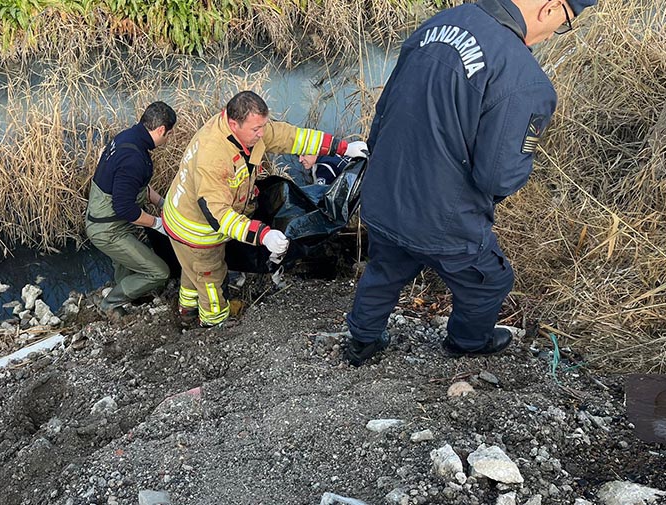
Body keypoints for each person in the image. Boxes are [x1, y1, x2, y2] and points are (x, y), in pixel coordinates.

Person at [345, 0, 597, 366]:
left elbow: (381, 117)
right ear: (552, 7)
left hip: (385, 194)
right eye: (564, 23)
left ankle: (362, 341)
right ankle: (467, 341)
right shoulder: (523, 77)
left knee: (385, 267)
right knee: (489, 279)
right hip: (442, 216)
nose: (552, 33)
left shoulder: (437, 25)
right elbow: (499, 176)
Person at [162, 90, 367, 327]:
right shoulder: (214, 156)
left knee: (192, 269)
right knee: (211, 276)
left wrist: (341, 148)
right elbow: (218, 216)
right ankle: (213, 324)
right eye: (256, 130)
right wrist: (263, 234)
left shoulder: (247, 132)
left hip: (181, 216)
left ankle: (186, 310)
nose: (262, 134)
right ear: (233, 123)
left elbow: (292, 137)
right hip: (195, 229)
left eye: (263, 126)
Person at [85, 101, 177, 315]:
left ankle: (129, 290)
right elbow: (125, 209)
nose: (168, 139)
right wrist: (159, 224)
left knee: (126, 265)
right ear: (161, 129)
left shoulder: (128, 137)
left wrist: (163, 204)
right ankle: (111, 304)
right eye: (169, 134)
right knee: (159, 272)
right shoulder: (134, 157)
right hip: (107, 229)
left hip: (107, 219)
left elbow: (135, 186)